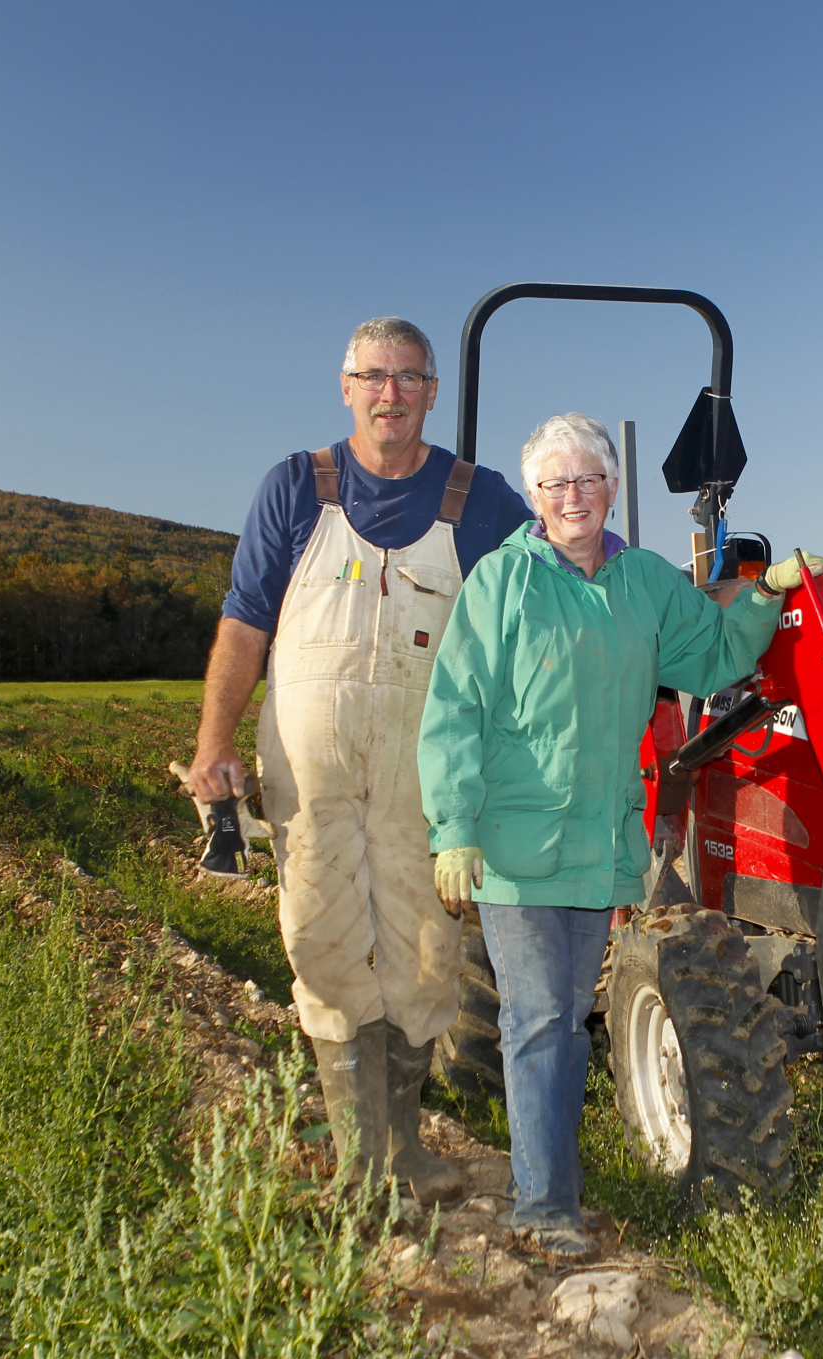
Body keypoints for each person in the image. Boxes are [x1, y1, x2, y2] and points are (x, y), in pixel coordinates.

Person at [417, 412, 823, 1259]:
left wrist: (765, 593)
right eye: (556, 484)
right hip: (514, 847)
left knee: (569, 1020)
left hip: (601, 844)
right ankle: (543, 1210)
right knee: (536, 1021)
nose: (574, 496)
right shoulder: (502, 585)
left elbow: (714, 656)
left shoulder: (644, 582)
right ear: (535, 496)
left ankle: (554, 1185)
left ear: (612, 490)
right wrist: (454, 826)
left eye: (589, 481)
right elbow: (455, 708)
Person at [184, 316, 533, 1202]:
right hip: (312, 770)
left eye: (408, 377)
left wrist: (691, 593)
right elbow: (244, 621)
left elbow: (553, 588)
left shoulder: (480, 499)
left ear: (431, 392)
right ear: (347, 386)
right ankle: (356, 1158)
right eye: (373, 376)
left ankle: (404, 1147)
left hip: (428, 770)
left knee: (424, 950)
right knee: (323, 942)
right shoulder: (298, 488)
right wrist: (213, 743)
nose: (391, 394)